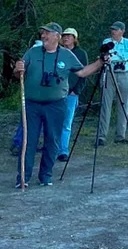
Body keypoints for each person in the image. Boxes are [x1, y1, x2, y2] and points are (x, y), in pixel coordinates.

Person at [13, 23, 107, 188]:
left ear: (56, 36)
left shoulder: (66, 55)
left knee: (52, 140)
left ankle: (45, 176)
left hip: (56, 105)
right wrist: (17, 69)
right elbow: (18, 73)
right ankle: (23, 178)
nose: (43, 36)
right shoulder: (33, 52)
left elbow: (82, 72)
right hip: (32, 104)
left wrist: (100, 62)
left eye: (47, 33)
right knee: (29, 141)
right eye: (42, 33)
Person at [97, 21, 128, 146]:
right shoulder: (107, 42)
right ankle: (102, 136)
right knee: (105, 104)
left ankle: (120, 135)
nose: (113, 31)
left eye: (116, 29)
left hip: (124, 74)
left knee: (124, 104)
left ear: (122, 31)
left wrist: (115, 56)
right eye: (112, 29)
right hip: (109, 73)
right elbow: (105, 56)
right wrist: (118, 57)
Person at [57, 28, 88, 162]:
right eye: (64, 36)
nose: (66, 38)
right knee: (53, 121)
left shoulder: (81, 53)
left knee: (66, 122)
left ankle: (63, 150)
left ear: (74, 38)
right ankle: (52, 146)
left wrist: (77, 90)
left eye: (69, 36)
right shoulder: (58, 51)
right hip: (57, 92)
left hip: (71, 92)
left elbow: (84, 73)